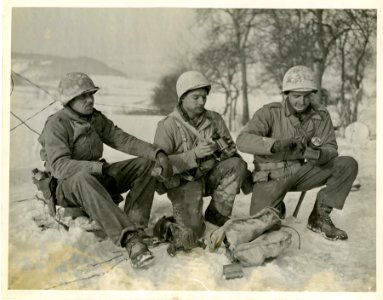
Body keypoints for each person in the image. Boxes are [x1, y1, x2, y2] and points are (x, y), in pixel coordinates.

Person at [38, 72, 173, 268]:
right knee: (83, 177)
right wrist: (97, 167)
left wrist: (157, 153)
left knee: (146, 164)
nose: (89, 99)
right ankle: (130, 239)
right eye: (83, 96)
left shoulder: (95, 119)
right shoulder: (57, 124)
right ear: (69, 100)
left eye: (91, 94)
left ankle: (136, 225)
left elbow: (123, 140)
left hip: (96, 177)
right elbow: (59, 166)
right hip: (69, 187)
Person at [236, 65, 358, 241]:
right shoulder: (269, 113)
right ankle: (277, 206)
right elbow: (242, 140)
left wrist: (314, 153)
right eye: (296, 96)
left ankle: (319, 217)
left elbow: (331, 148)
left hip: (301, 173)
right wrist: (275, 145)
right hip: (270, 177)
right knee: (263, 230)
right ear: (286, 94)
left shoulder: (321, 114)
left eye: (307, 96)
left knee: (347, 164)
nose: (302, 101)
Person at [153, 71, 248, 241]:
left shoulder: (214, 119)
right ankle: (165, 226)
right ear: (182, 97)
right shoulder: (167, 125)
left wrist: (224, 151)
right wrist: (194, 155)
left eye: (204, 97)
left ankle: (217, 214)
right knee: (193, 233)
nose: (202, 102)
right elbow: (160, 166)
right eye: (196, 97)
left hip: (208, 175)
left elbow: (230, 151)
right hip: (184, 182)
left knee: (237, 164)